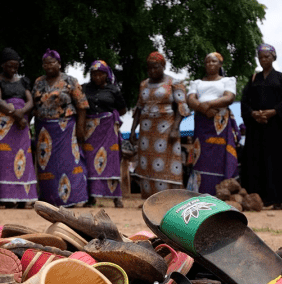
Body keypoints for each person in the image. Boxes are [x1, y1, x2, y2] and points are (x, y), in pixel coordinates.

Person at [129, 51, 191, 199]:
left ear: (163, 66)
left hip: (167, 128)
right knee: (147, 163)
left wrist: (175, 128)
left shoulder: (174, 83)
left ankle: (168, 198)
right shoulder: (144, 84)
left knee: (168, 163)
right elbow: (139, 108)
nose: (152, 71)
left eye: (155, 67)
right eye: (149, 68)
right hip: (146, 130)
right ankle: (150, 198)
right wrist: (133, 131)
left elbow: (181, 108)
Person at [32, 49, 89, 206]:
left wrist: (80, 128)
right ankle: (49, 199)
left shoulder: (70, 81)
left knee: (68, 162)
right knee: (47, 165)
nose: (49, 66)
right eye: (46, 63)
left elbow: (82, 106)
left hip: (66, 128)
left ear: (59, 64)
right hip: (44, 128)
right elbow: (34, 106)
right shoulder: (39, 82)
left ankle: (74, 198)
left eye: (52, 62)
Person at [240, 44, 282, 209]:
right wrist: (253, 114)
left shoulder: (281, 78)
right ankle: (257, 198)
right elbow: (244, 101)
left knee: (275, 162)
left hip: (275, 128)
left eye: (267, 57)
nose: (263, 60)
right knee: (255, 160)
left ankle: (277, 200)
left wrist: (273, 112)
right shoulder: (253, 79)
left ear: (274, 57)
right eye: (261, 57)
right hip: (256, 129)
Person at [0, 48, 38, 207]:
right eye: (9, 66)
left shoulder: (23, 81)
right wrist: (14, 114)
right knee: (4, 159)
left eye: (15, 66)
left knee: (23, 158)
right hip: (3, 125)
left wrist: (22, 113)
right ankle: (7, 198)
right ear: (3, 65)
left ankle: (24, 198)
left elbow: (30, 101)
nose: (13, 69)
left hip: (21, 124)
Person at [186, 52, 239, 196]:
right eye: (207, 62)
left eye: (214, 61)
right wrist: (201, 108)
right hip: (202, 121)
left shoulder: (227, 81)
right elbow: (190, 99)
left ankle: (222, 191)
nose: (210, 64)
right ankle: (199, 192)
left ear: (220, 64)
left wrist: (207, 104)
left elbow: (229, 97)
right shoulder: (196, 83)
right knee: (201, 155)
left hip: (219, 122)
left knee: (219, 155)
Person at [81, 60, 127, 207]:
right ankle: (91, 197)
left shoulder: (113, 89)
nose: (97, 77)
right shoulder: (84, 88)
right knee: (89, 162)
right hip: (90, 131)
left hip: (108, 130)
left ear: (106, 75)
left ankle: (116, 197)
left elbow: (123, 109)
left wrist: (109, 116)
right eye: (94, 74)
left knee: (111, 161)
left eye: (100, 74)